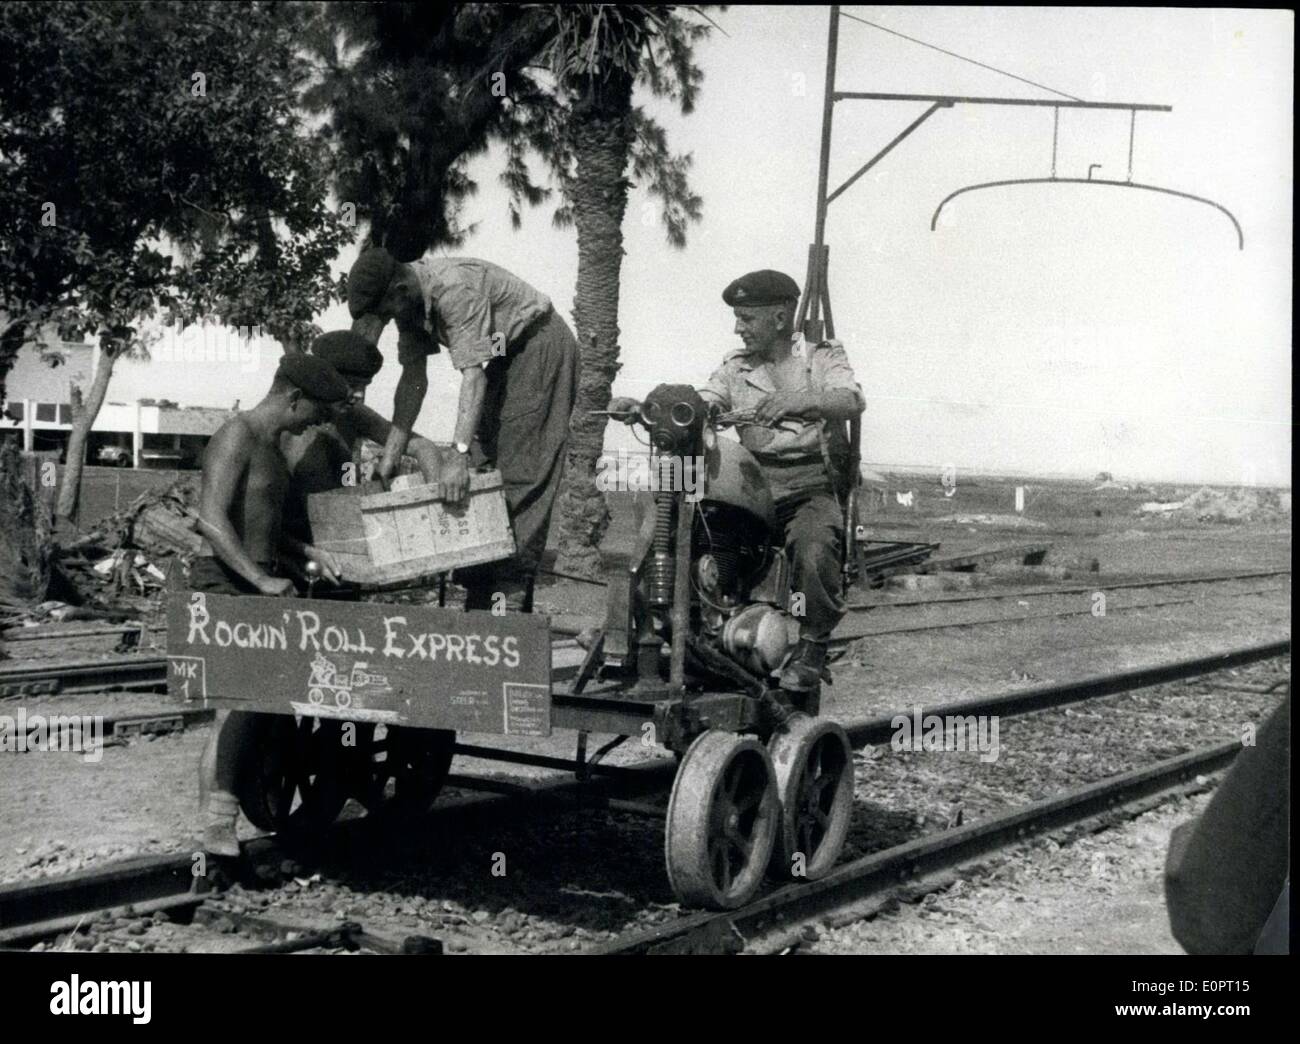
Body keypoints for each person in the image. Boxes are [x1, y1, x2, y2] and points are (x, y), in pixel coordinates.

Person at [610, 269, 864, 698]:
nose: (738, 328)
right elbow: (704, 402)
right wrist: (651, 410)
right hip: (749, 483)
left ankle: (811, 647)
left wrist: (799, 402)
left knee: (814, 545)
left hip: (807, 485)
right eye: (737, 318)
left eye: (747, 318)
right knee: (671, 530)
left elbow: (851, 399)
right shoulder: (735, 367)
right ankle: (649, 632)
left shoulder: (820, 357)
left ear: (781, 318)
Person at [347, 248, 579, 608]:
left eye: (387, 312)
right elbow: (413, 381)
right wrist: (390, 456)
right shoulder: (409, 301)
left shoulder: (454, 289)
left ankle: (508, 604)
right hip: (504, 357)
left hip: (539, 345)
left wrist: (456, 454)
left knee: (517, 473)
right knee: (482, 470)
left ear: (399, 290)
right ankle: (480, 598)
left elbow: (473, 378)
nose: (391, 320)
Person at [191, 353, 353, 856]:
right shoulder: (236, 435)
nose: (317, 424)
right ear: (293, 398)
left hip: (257, 583)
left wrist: (306, 553)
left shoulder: (273, 447)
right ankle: (215, 826)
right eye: (315, 412)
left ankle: (230, 819)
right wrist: (259, 578)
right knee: (234, 707)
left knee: (257, 705)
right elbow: (211, 519)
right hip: (223, 582)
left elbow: (264, 526)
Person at [281, 329, 447, 592]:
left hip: (344, 553)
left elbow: (424, 447)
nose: (358, 395)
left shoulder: (353, 416)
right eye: (350, 384)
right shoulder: (288, 423)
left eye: (364, 387)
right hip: (292, 557)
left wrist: (437, 517)